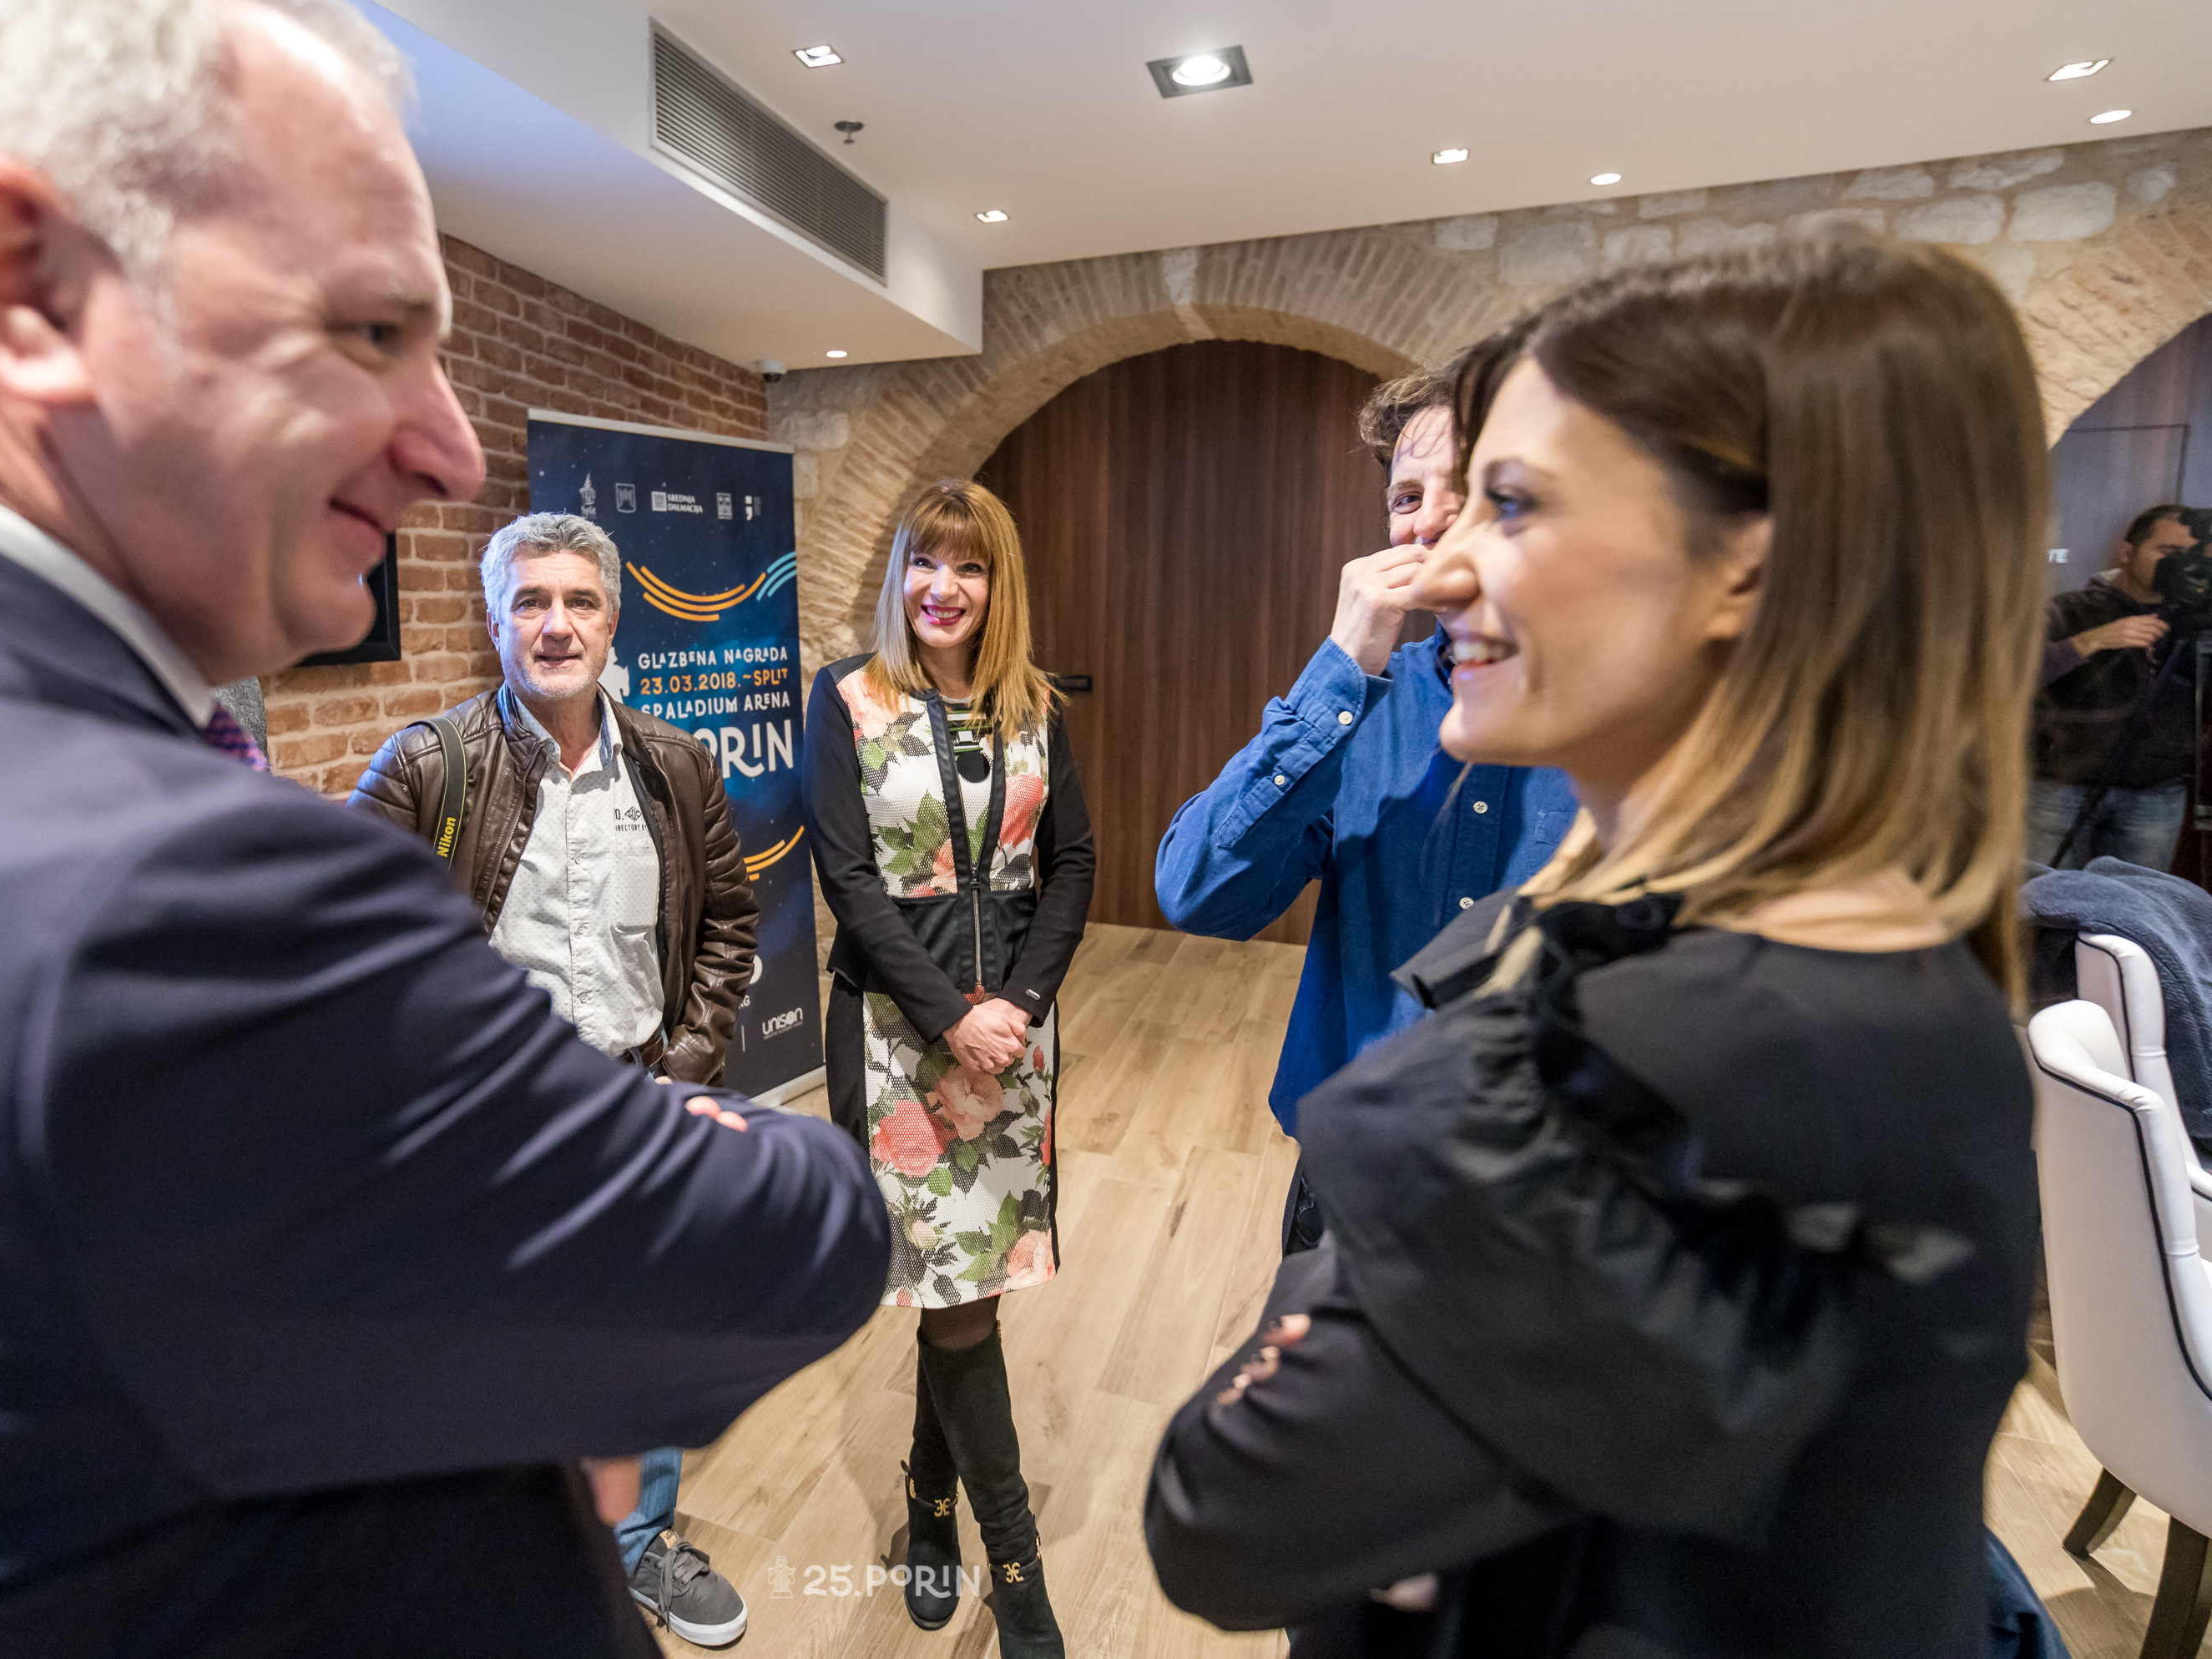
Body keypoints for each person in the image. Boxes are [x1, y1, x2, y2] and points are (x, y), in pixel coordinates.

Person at [0, 0, 887, 1658]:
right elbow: (781, 1244)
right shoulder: (156, 883)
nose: (448, 446)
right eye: (371, 331)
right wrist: (677, 1167)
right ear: (23, 288)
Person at [1145, 233, 2046, 1657]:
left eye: (1505, 501)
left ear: (1745, 570)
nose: (1443, 554)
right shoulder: (1402, 709)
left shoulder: (1703, 1047)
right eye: (1415, 501)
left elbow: (1224, 1506)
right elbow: (1195, 888)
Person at [347, 510, 760, 1645]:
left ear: (614, 622)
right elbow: (342, 954)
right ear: (494, 624)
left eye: (579, 601)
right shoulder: (427, 766)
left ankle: (636, 1546)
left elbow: (728, 925)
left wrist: (684, 1071)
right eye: (530, 601)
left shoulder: (676, 766)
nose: (556, 624)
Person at [1155, 357, 1577, 1249]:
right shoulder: (1360, 706)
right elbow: (1197, 893)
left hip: (1548, 1213)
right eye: (1404, 498)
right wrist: (1340, 668)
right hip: (1353, 1181)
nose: (1426, 521)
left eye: (1465, 487)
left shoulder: (1630, 723)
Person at [802, 479, 1096, 1656]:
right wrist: (947, 1018)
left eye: (969, 566)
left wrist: (1017, 1006)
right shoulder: (847, 698)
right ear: (897, 576)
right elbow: (846, 877)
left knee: (964, 1292)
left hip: (1014, 1040)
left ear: (996, 582)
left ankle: (929, 1508)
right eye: (924, 562)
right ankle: (1015, 1571)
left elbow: (1073, 864)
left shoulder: (1036, 705)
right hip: (894, 1038)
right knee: (957, 1293)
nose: (944, 586)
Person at [2029, 502, 2204, 870]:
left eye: (2191, 556)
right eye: (2168, 551)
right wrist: (2089, 641)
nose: (2179, 566)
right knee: (2042, 893)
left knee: (2138, 899)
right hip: (2061, 785)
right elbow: (2014, 679)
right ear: (2128, 551)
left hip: (2155, 792)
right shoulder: (2069, 609)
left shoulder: (2197, 626)